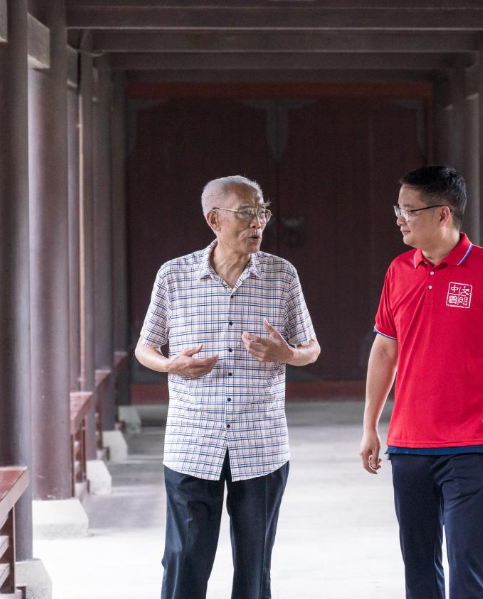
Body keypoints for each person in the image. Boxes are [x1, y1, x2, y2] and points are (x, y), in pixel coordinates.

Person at [135, 175, 320, 599]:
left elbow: (311, 349)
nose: (258, 222)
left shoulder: (282, 275)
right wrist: (171, 365)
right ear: (213, 219)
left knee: (254, 567)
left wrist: (287, 353)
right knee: (184, 559)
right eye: (246, 213)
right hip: (191, 441)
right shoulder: (173, 276)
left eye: (262, 212)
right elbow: (145, 347)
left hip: (261, 443)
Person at [359, 165, 483, 599]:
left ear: (442, 214)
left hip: (471, 443)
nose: (399, 219)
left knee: (467, 561)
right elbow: (384, 351)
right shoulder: (399, 270)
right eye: (398, 209)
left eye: (409, 210)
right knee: (419, 566)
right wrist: (370, 427)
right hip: (408, 444)